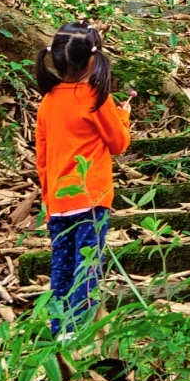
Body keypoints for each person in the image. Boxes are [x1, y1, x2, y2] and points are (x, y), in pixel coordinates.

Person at [34, 21, 132, 336]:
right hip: (91, 199)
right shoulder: (95, 96)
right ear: (92, 58)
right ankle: (81, 333)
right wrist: (123, 117)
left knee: (61, 270)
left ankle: (59, 332)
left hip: (59, 202)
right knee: (87, 268)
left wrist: (48, 202)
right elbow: (118, 144)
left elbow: (42, 160)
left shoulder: (48, 102)